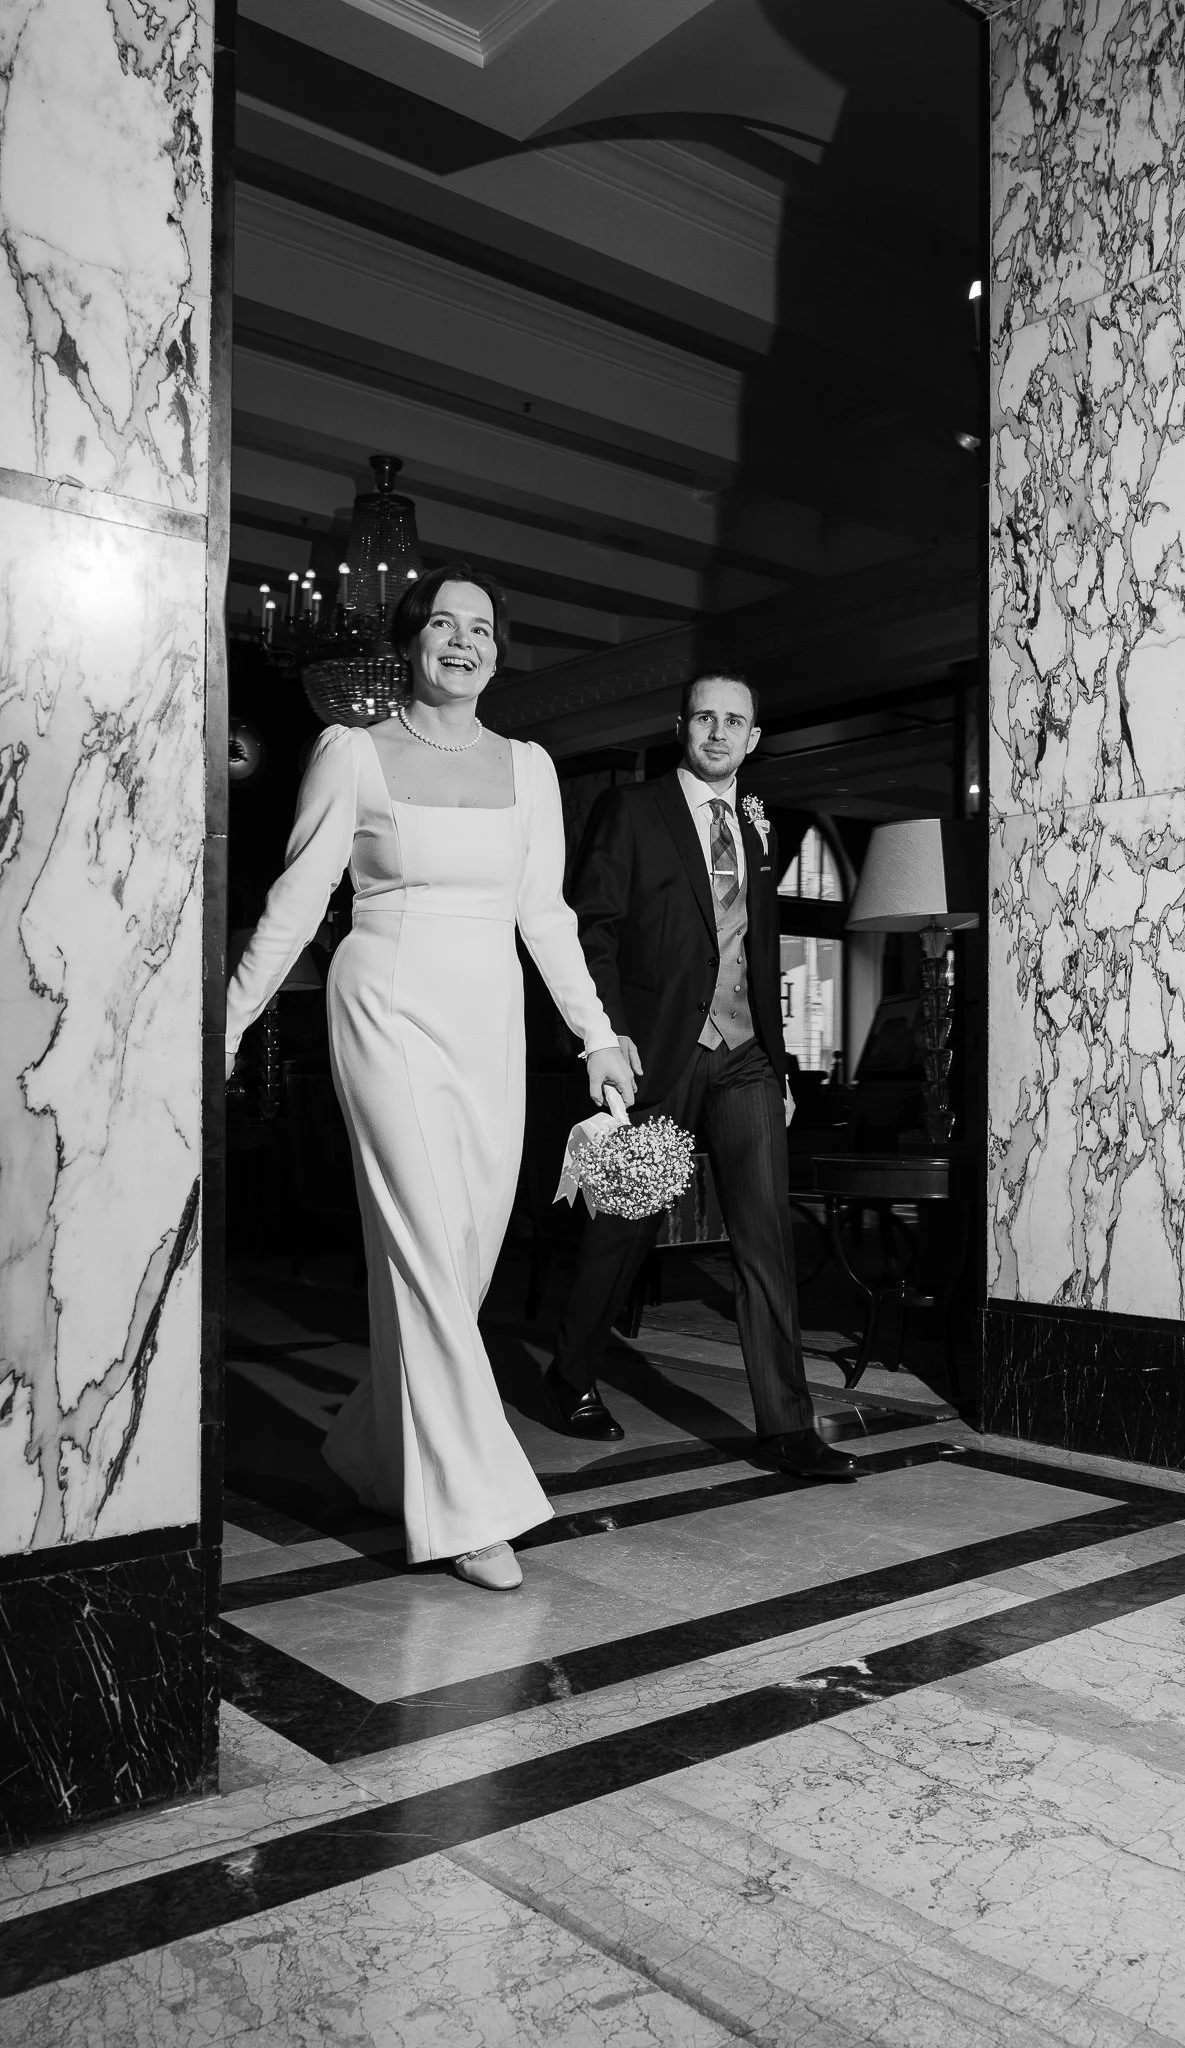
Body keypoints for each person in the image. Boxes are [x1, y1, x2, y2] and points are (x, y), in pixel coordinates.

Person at [225, 564, 635, 1590]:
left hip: (487, 1019)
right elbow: (295, 900)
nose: (463, 640)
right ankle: (469, 1507)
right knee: (417, 1240)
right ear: (408, 644)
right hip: (385, 1006)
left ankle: (373, 1447)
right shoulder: (352, 752)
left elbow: (546, 916)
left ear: (499, 651)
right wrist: (226, 1018)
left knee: (461, 1258)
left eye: (482, 628)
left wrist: (596, 1034)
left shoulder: (531, 766)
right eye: (443, 624)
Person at [543, 669, 857, 1482]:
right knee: (623, 1228)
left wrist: (781, 1066)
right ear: (682, 727)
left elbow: (761, 949)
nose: (719, 732)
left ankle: (787, 1427)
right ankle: (570, 1375)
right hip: (656, 1050)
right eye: (705, 718)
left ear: (754, 739)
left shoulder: (759, 827)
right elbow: (593, 929)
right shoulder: (634, 810)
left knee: (765, 1241)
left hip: (746, 1056)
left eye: (735, 722)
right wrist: (604, 1036)